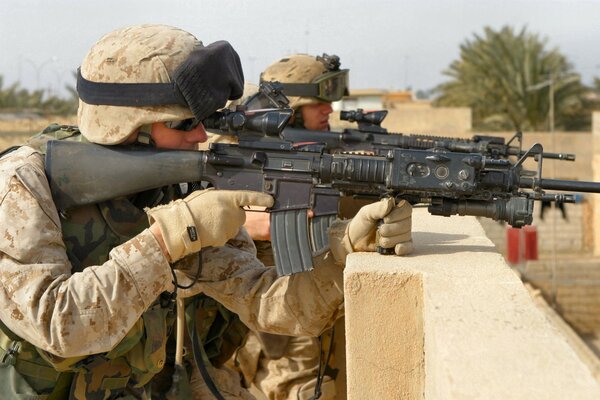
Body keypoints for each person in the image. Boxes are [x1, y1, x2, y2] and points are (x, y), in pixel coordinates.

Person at [0, 24, 413, 399]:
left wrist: (343, 250)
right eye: (183, 125)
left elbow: (268, 303)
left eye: (204, 120)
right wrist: (170, 237)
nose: (201, 135)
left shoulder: (181, 184)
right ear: (126, 125)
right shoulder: (26, 182)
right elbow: (56, 324)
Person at [228, 54, 413, 400]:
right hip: (279, 326)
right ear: (292, 108)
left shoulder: (324, 154)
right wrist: (253, 221)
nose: (329, 110)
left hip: (319, 304)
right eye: (318, 103)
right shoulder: (249, 158)